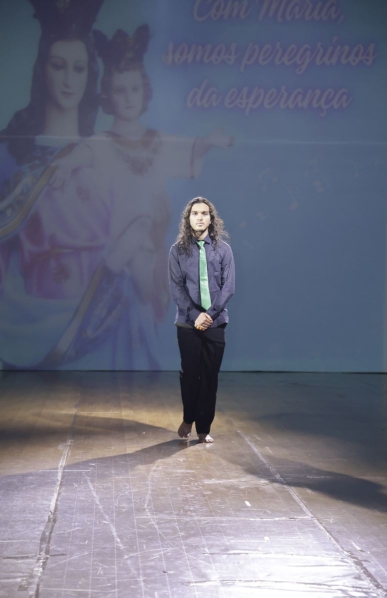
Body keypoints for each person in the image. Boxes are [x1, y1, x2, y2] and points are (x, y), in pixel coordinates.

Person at [48, 25, 234, 369]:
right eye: (120, 90)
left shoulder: (157, 142)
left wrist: (208, 143)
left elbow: (188, 152)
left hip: (150, 252)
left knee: (145, 320)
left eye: (134, 88)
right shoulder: (103, 143)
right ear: (108, 95)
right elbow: (80, 155)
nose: (128, 97)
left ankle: (143, 378)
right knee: (123, 326)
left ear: (144, 91)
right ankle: (121, 378)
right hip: (119, 252)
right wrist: (65, 165)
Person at [0, 0, 105, 369]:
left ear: (90, 75)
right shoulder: (9, 151)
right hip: (18, 310)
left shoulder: (102, 154)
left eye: (78, 68)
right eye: (58, 66)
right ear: (41, 69)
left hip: (93, 315)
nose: (68, 79)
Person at [169, 197, 235, 443]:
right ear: (188, 219)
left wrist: (210, 315)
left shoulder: (223, 250)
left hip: (215, 322)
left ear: (211, 218)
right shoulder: (177, 250)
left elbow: (228, 287)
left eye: (204, 213)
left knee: (209, 376)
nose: (199, 217)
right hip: (188, 322)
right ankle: (189, 417)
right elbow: (176, 287)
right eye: (195, 213)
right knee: (190, 374)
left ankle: (204, 427)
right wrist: (196, 315)